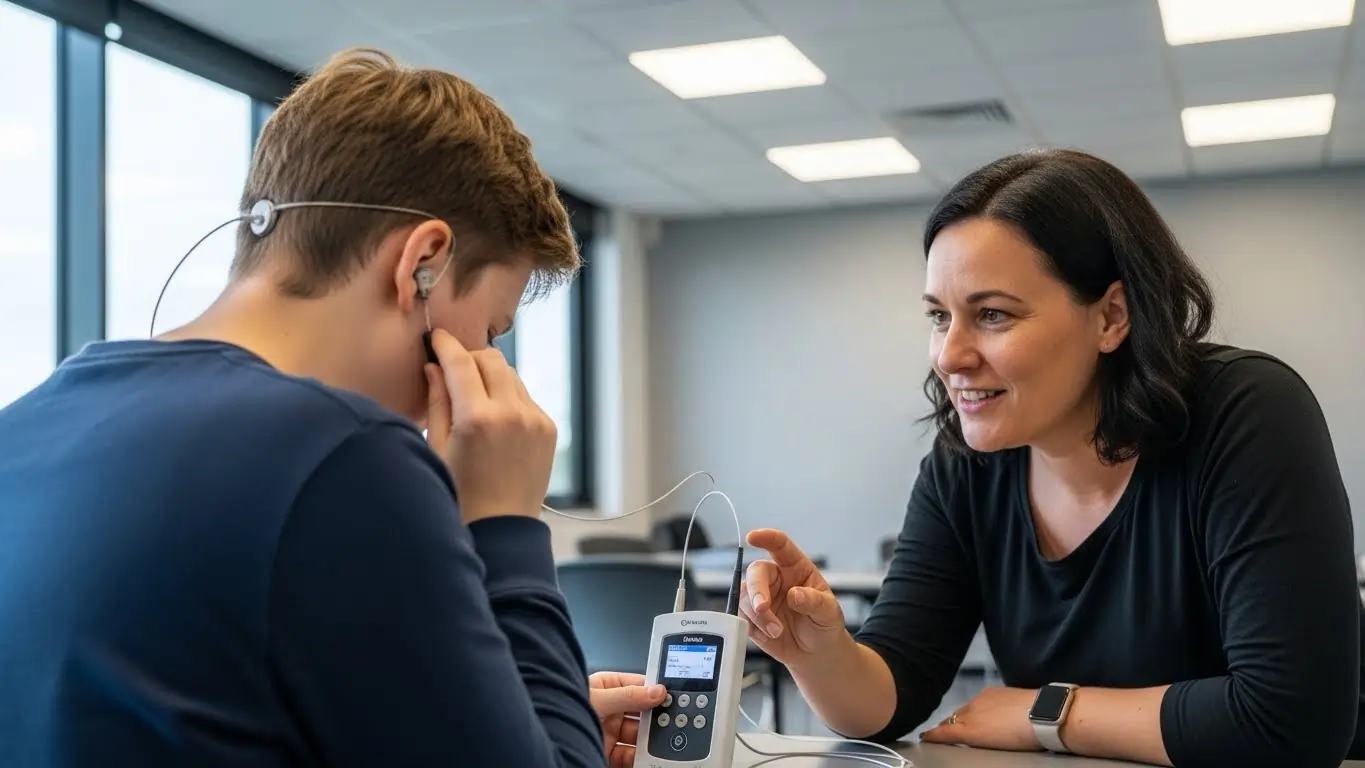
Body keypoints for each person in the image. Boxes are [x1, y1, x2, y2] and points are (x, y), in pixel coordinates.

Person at [0, 48, 663, 767]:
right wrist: (504, 524)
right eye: (490, 331)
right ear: (422, 263)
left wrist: (536, 719)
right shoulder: (345, 456)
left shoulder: (24, 428)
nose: (488, 361)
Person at [739, 148, 1364, 768]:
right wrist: (816, 652)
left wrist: (1045, 713)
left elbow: (1289, 722)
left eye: (991, 315)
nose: (949, 355)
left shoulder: (1245, 413)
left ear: (1112, 316)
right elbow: (891, 696)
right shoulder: (966, 462)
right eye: (939, 316)